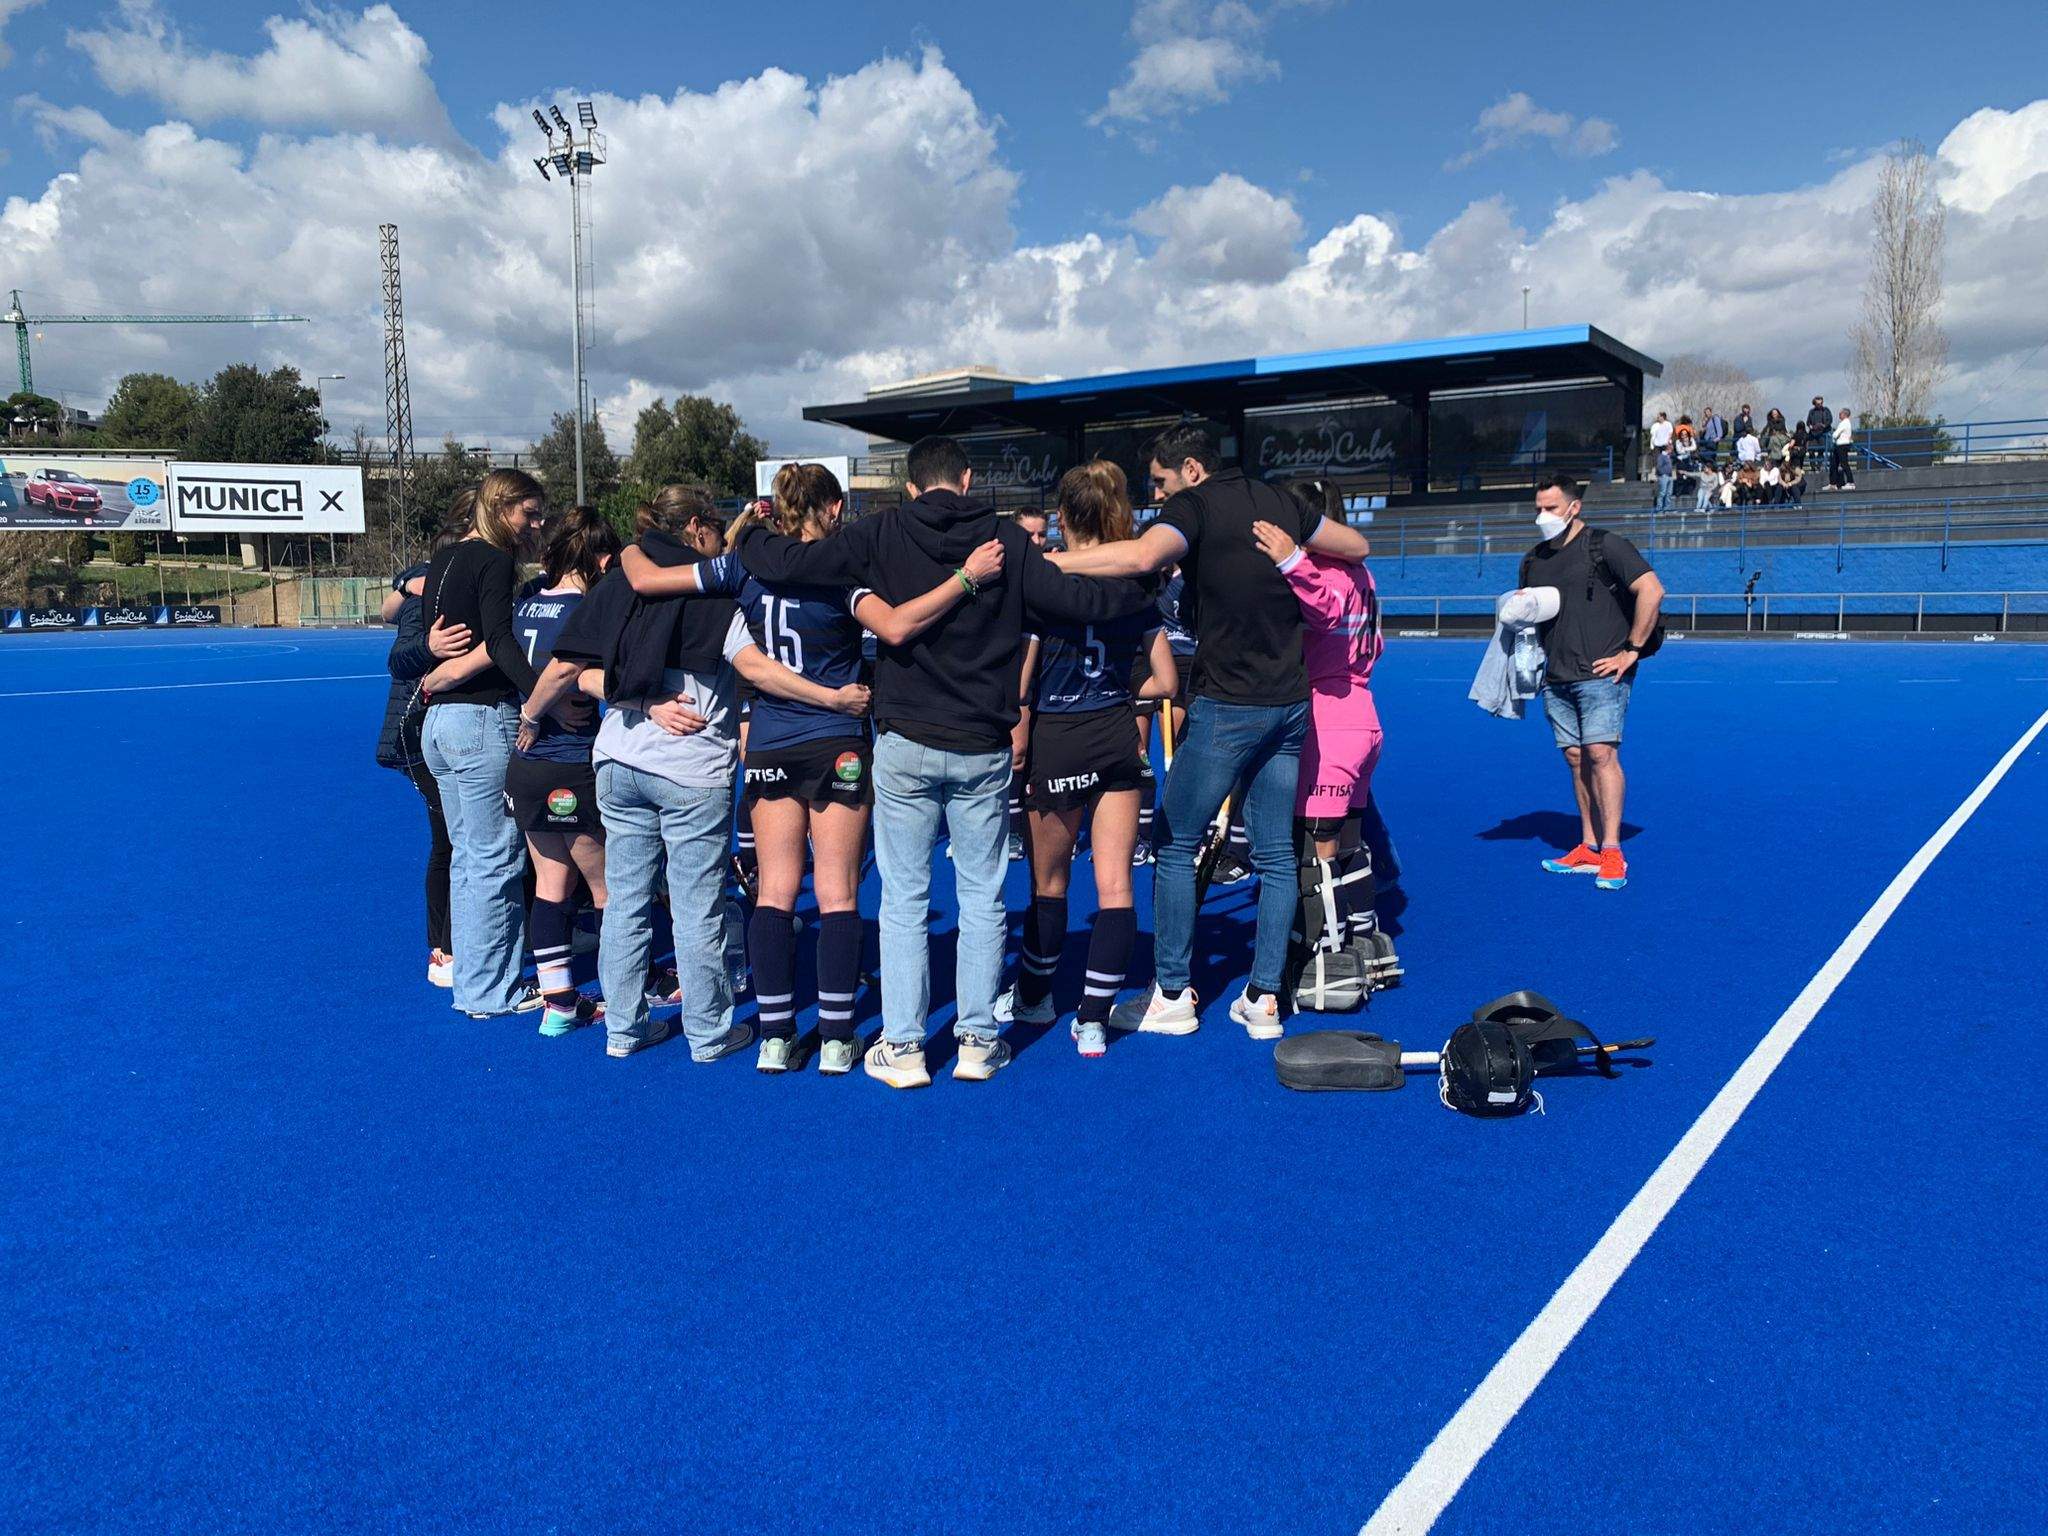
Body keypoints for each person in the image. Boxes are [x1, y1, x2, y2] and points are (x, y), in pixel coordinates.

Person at [731, 435, 1152, 1089]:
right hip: (982, 740)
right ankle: (979, 1040)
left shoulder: (879, 532)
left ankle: (903, 1047)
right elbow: (1073, 599)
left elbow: (792, 561)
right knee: (982, 895)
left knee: (902, 897)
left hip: (906, 740)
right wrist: (1146, 591)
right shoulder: (1006, 541)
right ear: (966, 478)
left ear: (908, 485)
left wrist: (750, 539)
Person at [619, 461, 1005, 1075]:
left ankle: (774, 1036)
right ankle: (834, 1037)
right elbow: (899, 628)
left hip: (770, 742)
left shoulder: (740, 565)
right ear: (829, 509)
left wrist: (661, 541)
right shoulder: (841, 572)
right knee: (838, 891)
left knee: (774, 890)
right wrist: (966, 577)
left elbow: (643, 578)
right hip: (835, 740)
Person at [1050, 423, 1372, 1041]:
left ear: (1191, 470)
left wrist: (1054, 560)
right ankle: (1264, 998)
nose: (1156, 495)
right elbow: (1356, 544)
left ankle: (1172, 993)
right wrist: (1291, 556)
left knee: (1174, 843)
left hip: (1229, 705)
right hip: (1290, 704)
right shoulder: (1283, 501)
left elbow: (1144, 557)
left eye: (1161, 482)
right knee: (1277, 856)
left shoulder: (1192, 507)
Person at [528, 489, 868, 1063]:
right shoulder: (718, 596)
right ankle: (708, 1032)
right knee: (695, 904)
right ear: (696, 528)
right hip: (690, 768)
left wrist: (536, 714)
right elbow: (758, 668)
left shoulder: (619, 582)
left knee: (625, 901)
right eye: (714, 528)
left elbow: (568, 669)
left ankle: (625, 1029)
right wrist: (830, 698)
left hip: (619, 761)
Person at [999, 461, 1176, 1058]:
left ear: (1065, 518)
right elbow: (1166, 679)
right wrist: (1123, 695)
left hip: (1059, 740)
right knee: (1116, 887)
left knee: (1048, 882)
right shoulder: (1135, 585)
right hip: (1115, 738)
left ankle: (1034, 996)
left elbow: (1021, 682)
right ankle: (1094, 1019)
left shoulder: (1045, 585)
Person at [424, 508, 620, 1038]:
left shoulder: (528, 604)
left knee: (552, 885)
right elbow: (577, 676)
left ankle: (558, 1001)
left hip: (525, 763)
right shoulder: (589, 608)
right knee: (606, 887)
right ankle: (627, 994)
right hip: (569, 757)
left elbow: (498, 648)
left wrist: (447, 673)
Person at [419, 469, 548, 1018]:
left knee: (470, 861)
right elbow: (500, 641)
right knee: (495, 861)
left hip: (439, 729)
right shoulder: (494, 561)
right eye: (528, 513)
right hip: (478, 724)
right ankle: (493, 991)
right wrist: (540, 699)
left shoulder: (444, 557)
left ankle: (474, 985)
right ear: (500, 507)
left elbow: (439, 636)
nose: (535, 524)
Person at [1250, 481, 1388, 969]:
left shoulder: (1323, 570)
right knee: (1351, 840)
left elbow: (1324, 611)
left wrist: (1290, 562)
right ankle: (1368, 940)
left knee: (1319, 850)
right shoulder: (1362, 571)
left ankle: (1326, 956)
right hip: (1363, 713)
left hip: (1328, 720)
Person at [1523, 474, 1665, 891]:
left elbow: (1652, 590)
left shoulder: (1606, 545)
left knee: (1601, 754)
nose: (1542, 517)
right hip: (1557, 676)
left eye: (1550, 508)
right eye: (1538, 509)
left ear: (1573, 507)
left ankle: (1612, 850)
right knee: (1574, 758)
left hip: (1603, 674)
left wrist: (1632, 650)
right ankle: (1587, 844)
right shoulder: (1533, 559)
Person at [374, 501, 476, 988]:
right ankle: (447, 949)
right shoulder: (430, 585)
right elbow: (401, 655)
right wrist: (430, 650)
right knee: (451, 841)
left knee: (457, 839)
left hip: (429, 728)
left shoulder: (437, 580)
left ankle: (451, 945)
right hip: (417, 732)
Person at [1829, 407, 1856, 490]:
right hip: (1839, 445)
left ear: (1845, 414)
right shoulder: (1846, 423)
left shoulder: (1844, 423)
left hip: (1842, 445)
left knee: (1844, 464)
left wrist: (1834, 435)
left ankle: (1851, 482)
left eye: (1840, 413)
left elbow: (1835, 434)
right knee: (1834, 464)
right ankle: (1833, 484)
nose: (1839, 415)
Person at [1805, 396, 1833, 469]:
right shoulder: (1811, 412)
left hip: (1823, 434)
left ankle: (1818, 466)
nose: (1819, 405)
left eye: (1821, 403)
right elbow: (1808, 422)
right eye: (1818, 403)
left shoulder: (1826, 410)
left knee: (1821, 450)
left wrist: (1824, 425)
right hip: (1813, 434)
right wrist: (1810, 426)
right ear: (1814, 403)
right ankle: (1813, 467)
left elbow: (1830, 420)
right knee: (1811, 451)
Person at [1653, 444, 1674, 511]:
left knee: (1669, 493)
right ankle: (1659, 507)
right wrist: (1663, 474)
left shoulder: (1669, 456)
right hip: (1664, 476)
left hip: (1670, 476)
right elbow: (1659, 467)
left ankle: (1667, 507)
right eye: (1671, 449)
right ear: (1668, 448)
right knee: (1662, 492)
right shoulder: (1661, 456)